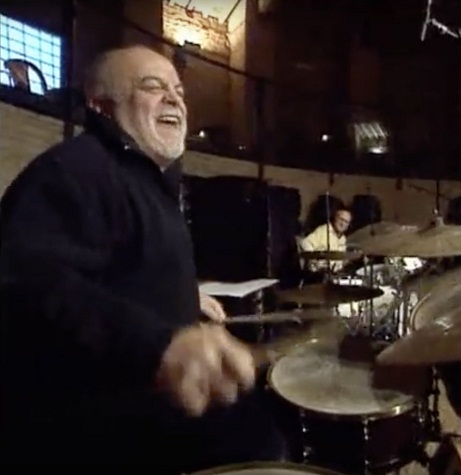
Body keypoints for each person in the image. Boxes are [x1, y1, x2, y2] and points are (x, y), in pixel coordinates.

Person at [0, 45, 285, 472]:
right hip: (96, 437)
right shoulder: (74, 170)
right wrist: (160, 346)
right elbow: (31, 281)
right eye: (152, 87)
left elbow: (119, 272)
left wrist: (186, 296)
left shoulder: (146, 182)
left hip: (154, 407)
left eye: (179, 91)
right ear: (101, 106)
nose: (174, 99)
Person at [300, 208, 352, 275]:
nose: (343, 224)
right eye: (341, 219)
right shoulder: (324, 230)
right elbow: (305, 242)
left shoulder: (343, 239)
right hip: (317, 274)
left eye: (346, 222)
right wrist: (314, 259)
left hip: (334, 274)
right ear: (335, 218)